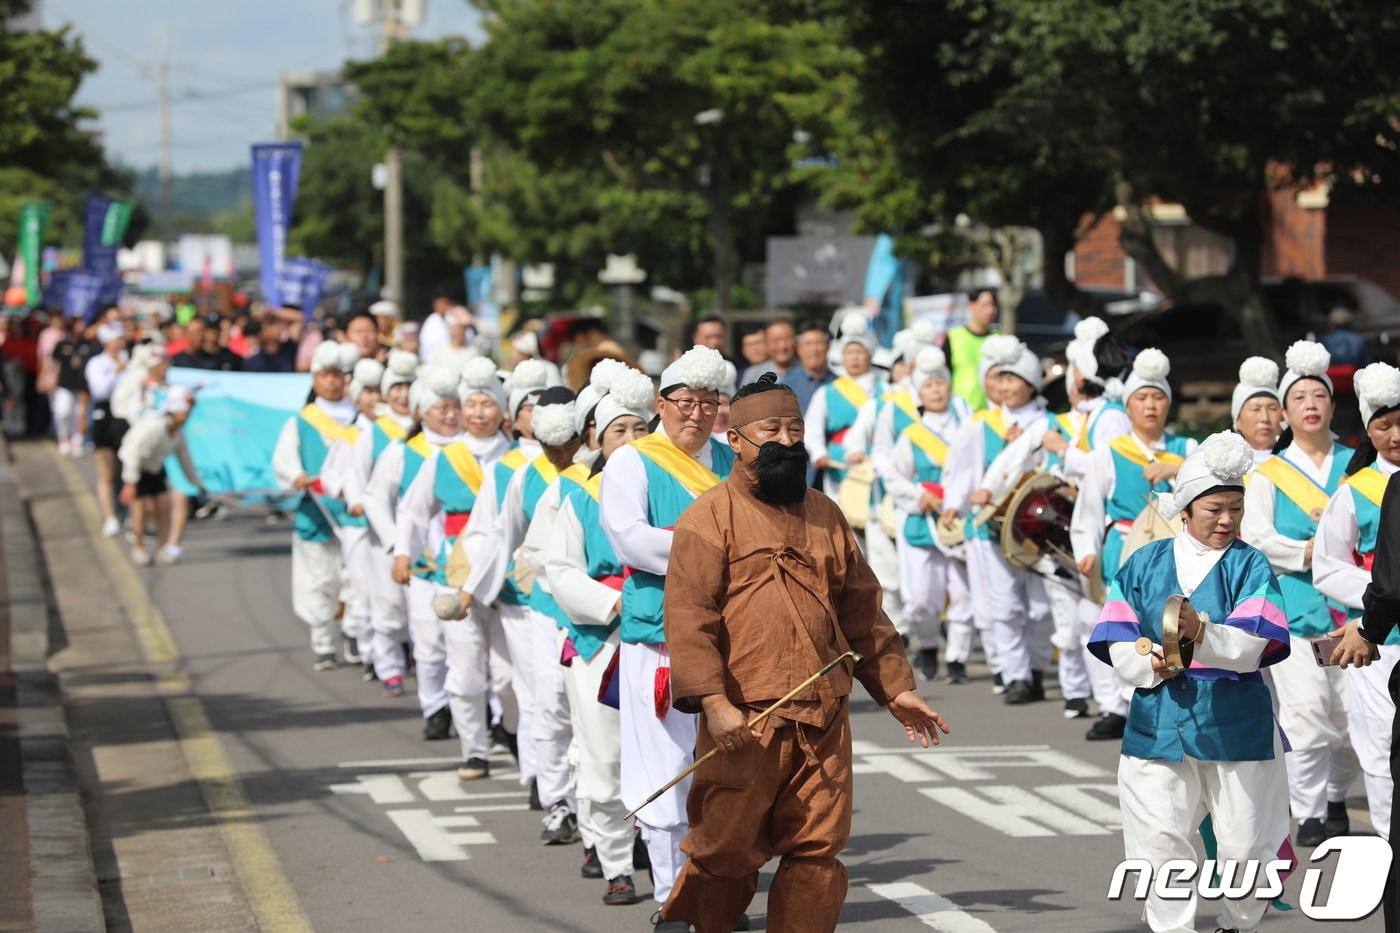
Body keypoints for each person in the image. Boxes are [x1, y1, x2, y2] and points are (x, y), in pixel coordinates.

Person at [657, 372, 948, 933]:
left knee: (818, 850)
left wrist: (897, 689)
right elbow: (689, 618)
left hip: (824, 709)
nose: (788, 441)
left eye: (796, 428)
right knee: (727, 849)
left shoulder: (826, 513)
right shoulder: (709, 516)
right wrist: (715, 702)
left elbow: (862, 609)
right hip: (746, 715)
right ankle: (690, 920)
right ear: (736, 439)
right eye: (772, 429)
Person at [1089, 431, 1291, 933]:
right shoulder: (1143, 562)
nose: (1227, 520)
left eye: (1235, 509)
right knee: (1158, 841)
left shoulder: (1252, 565)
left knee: (1245, 844)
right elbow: (1117, 636)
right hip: (1158, 719)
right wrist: (1146, 663)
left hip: (1235, 721)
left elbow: (1254, 646)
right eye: (1214, 509)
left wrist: (1204, 633)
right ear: (1185, 509)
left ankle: (1237, 923)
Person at [600, 345, 734, 924]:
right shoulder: (633, 461)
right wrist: (709, 547)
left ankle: (718, 897)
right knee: (664, 768)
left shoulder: (734, 459)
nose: (697, 414)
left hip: (731, 634)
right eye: (685, 402)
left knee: (726, 774)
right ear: (662, 404)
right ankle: (671, 898)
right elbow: (629, 538)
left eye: (709, 403)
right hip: (660, 634)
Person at [1241, 340, 1358, 846]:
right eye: (1299, 398)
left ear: (1332, 405)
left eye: (1319, 396)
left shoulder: (1358, 466)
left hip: (1355, 611)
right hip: (1298, 606)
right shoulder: (1267, 473)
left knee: (1354, 715)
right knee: (1306, 713)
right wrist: (1312, 552)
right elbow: (1258, 536)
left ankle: (1338, 796)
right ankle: (1309, 811)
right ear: (1285, 413)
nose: (1310, 405)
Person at [546, 371, 655, 906]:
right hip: (600, 640)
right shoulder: (577, 493)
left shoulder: (665, 486)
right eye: (619, 432)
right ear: (596, 439)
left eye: (640, 429)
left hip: (660, 635)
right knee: (603, 757)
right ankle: (615, 861)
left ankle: (666, 858)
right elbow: (558, 570)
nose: (631, 441)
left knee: (666, 755)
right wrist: (614, 603)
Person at [396, 357, 515, 780]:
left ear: (502, 410)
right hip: (456, 573)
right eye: (472, 404)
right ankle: (475, 749)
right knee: (464, 669)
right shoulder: (442, 459)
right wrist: (402, 554)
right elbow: (412, 511)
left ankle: (513, 731)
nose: (479, 413)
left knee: (506, 671)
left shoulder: (517, 460)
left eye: (487, 404)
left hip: (509, 578)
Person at [1071, 348, 1197, 738]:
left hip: (1174, 551)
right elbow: (1089, 510)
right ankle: (1113, 705)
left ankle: (1164, 697)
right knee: (1109, 623)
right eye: (1141, 398)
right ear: (1127, 406)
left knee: (1166, 624)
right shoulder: (1107, 454)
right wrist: (1086, 550)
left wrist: (1178, 470)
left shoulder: (1186, 450)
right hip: (1122, 547)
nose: (1151, 405)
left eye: (1158, 397)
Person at [944, 336, 1058, 705]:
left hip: (1039, 530)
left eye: (1013, 379)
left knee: (1040, 607)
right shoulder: (981, 423)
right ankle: (1015, 676)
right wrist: (954, 503)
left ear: (1030, 383)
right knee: (1005, 606)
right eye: (1000, 379)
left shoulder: (1049, 422)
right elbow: (960, 472)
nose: (1005, 387)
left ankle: (1038, 669)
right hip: (992, 527)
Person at [1314, 361, 1400, 846]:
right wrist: (1380, 592)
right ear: (1368, 430)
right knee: (1382, 743)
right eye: (1382, 425)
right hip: (1378, 641)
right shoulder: (1355, 491)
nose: (1394, 434)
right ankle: (1391, 840)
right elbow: (1327, 566)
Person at [884, 347, 970, 681]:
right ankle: (930, 643)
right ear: (919, 391)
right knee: (921, 595)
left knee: (963, 591)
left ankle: (959, 657)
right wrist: (920, 496)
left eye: (940, 383)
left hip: (958, 516)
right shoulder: (911, 434)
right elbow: (894, 475)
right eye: (928, 384)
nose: (935, 389)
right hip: (923, 517)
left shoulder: (967, 429)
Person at [272, 342, 358, 670]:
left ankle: (353, 632)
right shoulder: (302, 421)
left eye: (338, 375)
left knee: (353, 577)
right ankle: (323, 641)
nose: (332, 382)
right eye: (325, 375)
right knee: (319, 579)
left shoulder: (358, 419)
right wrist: (295, 476)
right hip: (316, 512)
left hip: (353, 511)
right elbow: (284, 459)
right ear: (315, 379)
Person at [348, 350, 418, 695]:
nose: (403, 395)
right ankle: (388, 664)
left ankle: (420, 662)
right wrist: (360, 506)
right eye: (397, 388)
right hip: (382, 536)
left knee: (416, 607)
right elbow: (359, 482)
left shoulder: (424, 430)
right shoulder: (373, 434)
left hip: (421, 535)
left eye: (409, 387)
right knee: (387, 602)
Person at [117, 385, 204, 566]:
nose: (187, 415)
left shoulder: (177, 433)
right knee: (140, 509)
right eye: (185, 411)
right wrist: (130, 482)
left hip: (154, 468)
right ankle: (138, 548)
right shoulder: (154, 425)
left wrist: (197, 483)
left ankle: (162, 547)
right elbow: (132, 453)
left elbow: (185, 460)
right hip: (135, 468)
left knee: (163, 506)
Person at [804, 313, 880, 501]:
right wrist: (819, 453)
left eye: (859, 352)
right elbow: (812, 429)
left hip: (876, 460)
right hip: (840, 461)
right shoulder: (827, 392)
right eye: (849, 352)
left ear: (869, 355)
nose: (854, 358)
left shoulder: (885, 389)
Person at [84, 322, 129, 537]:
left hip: (125, 417)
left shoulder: (129, 360)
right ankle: (109, 516)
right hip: (104, 417)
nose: (121, 342)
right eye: (117, 338)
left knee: (127, 471)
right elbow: (98, 391)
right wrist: (115, 372)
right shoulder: (96, 363)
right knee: (107, 473)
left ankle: (126, 512)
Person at [946, 288, 999, 411]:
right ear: (971, 305)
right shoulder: (953, 337)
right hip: (960, 412)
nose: (990, 310)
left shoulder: (999, 340)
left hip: (992, 414)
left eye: (993, 305)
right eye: (985, 305)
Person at [50, 316, 96, 456]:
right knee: (62, 412)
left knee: (79, 415)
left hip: (82, 387)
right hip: (64, 385)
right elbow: (54, 363)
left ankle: (77, 440)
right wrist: (50, 380)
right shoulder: (62, 344)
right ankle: (63, 438)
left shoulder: (88, 345)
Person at [1232, 356, 1284, 467]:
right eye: (1255, 409)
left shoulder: (1294, 462)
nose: (1265, 418)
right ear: (1237, 421)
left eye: (1272, 409)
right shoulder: (1228, 467)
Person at [778, 320, 834, 415]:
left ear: (828, 346)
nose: (814, 349)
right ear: (798, 349)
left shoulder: (839, 384)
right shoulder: (786, 385)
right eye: (808, 344)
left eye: (819, 343)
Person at [173, 313, 242, 371]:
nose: (212, 333)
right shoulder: (187, 358)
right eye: (208, 330)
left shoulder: (230, 358)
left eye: (216, 329)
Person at [739, 319, 796, 386]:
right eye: (776, 340)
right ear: (766, 343)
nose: (782, 346)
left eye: (787, 339)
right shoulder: (753, 374)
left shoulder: (808, 370)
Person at [429, 307, 480, 371]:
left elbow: (491, 334)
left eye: (463, 328)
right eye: (457, 328)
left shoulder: (474, 349)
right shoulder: (438, 353)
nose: (460, 332)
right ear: (450, 329)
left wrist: (471, 320)